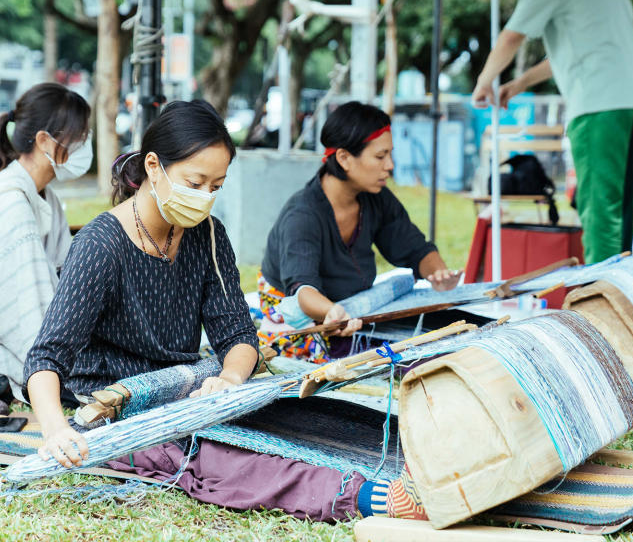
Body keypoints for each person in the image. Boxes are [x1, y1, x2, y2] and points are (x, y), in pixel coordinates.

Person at [22, 100, 427, 522]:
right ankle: (369, 497)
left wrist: (230, 379)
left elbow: (238, 336)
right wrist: (56, 430)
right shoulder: (101, 245)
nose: (205, 198)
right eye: (195, 183)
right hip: (121, 405)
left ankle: (416, 461)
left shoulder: (208, 236)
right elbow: (46, 358)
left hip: (186, 390)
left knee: (294, 414)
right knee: (211, 457)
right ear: (154, 167)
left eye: (216, 187)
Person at [471, 0, 633, 264]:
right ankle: (624, 297)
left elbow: (512, 36)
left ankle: (597, 305)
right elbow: (571, 52)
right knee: (622, 211)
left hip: (598, 103)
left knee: (599, 209)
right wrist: (519, 83)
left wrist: (484, 81)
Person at [259, 101, 460, 361]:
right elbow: (303, 291)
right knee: (374, 357)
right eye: (380, 156)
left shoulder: (376, 198)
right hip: (301, 315)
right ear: (344, 158)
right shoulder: (303, 216)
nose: (390, 165)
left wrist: (438, 273)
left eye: (390, 155)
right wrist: (333, 313)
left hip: (350, 309)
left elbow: (415, 248)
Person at [0, 83, 91, 402]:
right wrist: (59, 368)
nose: (85, 145)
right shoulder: (11, 205)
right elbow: (23, 316)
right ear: (44, 141)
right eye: (79, 136)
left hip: (17, 345)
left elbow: (63, 281)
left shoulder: (42, 196)